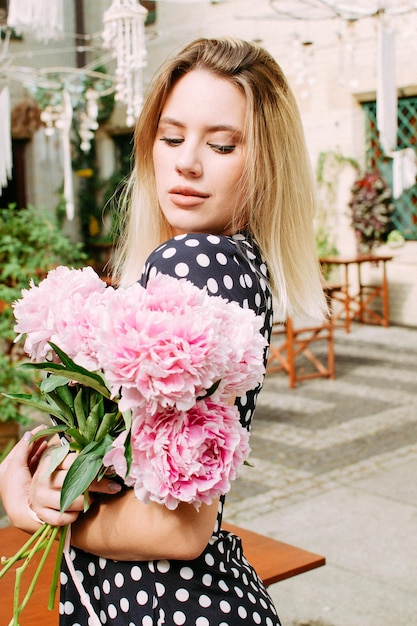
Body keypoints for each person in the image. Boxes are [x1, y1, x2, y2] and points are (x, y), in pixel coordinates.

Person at [0, 37, 326, 625]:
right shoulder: (233, 259)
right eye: (172, 137)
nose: (188, 162)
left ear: (265, 161)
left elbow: (175, 531)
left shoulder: (195, 261)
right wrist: (58, 460)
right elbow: (142, 453)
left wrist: (30, 510)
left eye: (222, 144)